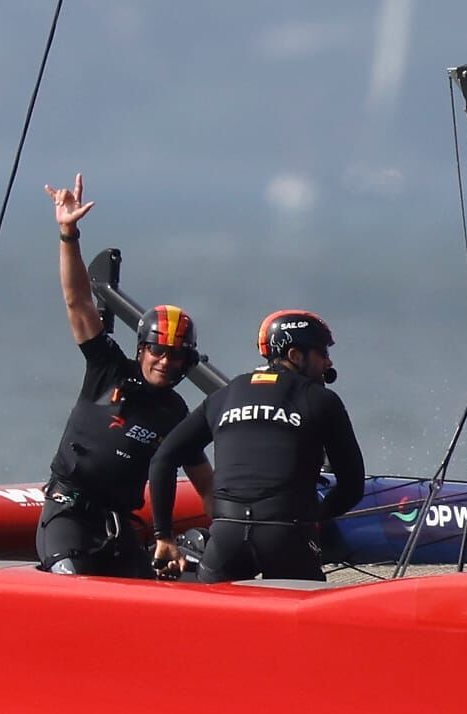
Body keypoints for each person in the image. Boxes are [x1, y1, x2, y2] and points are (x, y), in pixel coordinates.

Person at [37, 173, 213, 577]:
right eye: (157, 351)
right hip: (68, 517)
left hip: (119, 532)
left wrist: (237, 536)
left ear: (186, 362)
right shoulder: (108, 368)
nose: (164, 362)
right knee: (72, 586)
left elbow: (207, 486)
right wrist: (68, 234)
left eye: (175, 356)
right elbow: (77, 301)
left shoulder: (176, 413)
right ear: (141, 350)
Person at [147, 309, 365, 583]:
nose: (328, 361)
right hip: (287, 533)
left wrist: (163, 536)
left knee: (216, 608)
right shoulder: (322, 399)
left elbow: (163, 459)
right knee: (301, 610)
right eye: (322, 352)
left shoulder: (223, 396)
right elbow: (352, 486)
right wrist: (316, 517)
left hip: (226, 534)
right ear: (295, 355)